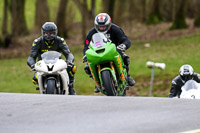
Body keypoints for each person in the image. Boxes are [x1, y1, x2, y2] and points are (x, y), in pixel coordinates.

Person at [83, 13, 135, 93]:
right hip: (97, 53)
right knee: (87, 67)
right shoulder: (91, 32)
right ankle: (97, 81)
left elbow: (125, 40)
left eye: (104, 26)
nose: (102, 28)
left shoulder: (116, 29)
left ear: (109, 24)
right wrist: (85, 55)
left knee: (125, 58)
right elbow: (86, 46)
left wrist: (123, 46)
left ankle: (127, 76)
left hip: (114, 51)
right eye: (100, 26)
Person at [27, 22, 76, 95]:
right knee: (35, 78)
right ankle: (42, 87)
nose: (48, 36)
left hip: (57, 63)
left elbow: (68, 54)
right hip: (42, 65)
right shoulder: (37, 42)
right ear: (42, 33)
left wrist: (69, 61)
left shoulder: (60, 41)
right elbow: (31, 57)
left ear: (55, 33)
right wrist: (32, 65)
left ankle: (71, 86)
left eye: (51, 33)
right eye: (46, 33)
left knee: (72, 68)